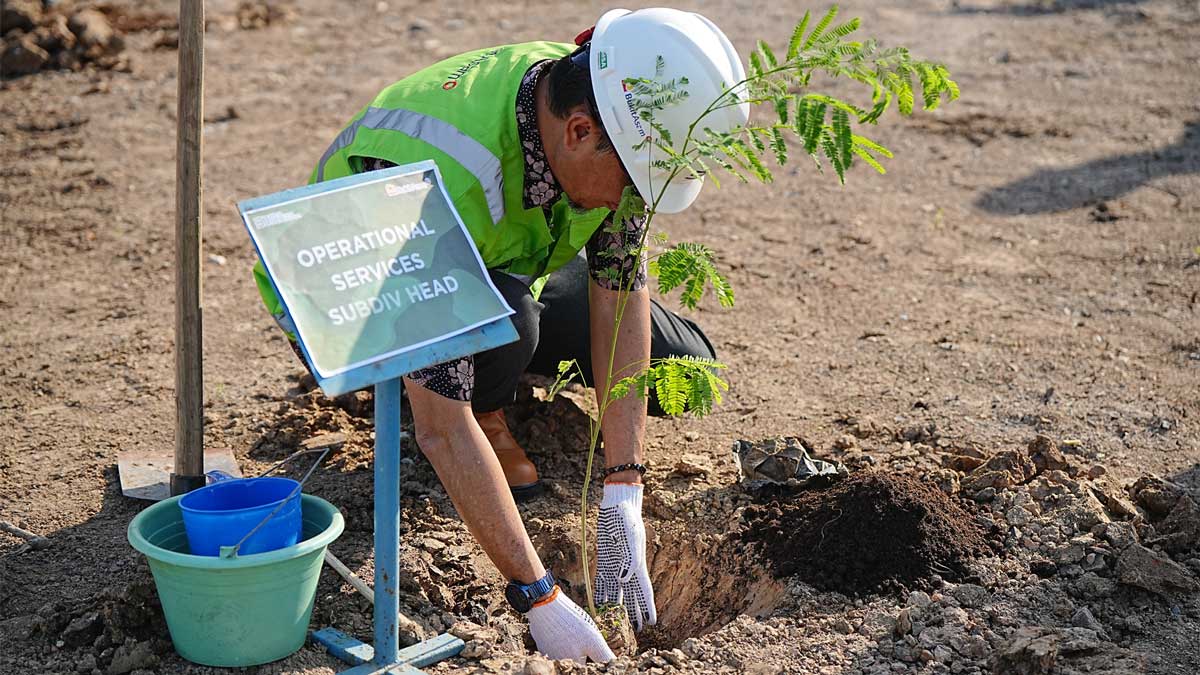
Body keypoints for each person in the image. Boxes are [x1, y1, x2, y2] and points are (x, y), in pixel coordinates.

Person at [252, 7, 748, 662]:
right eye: (636, 182)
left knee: (690, 369)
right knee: (509, 331)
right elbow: (440, 429)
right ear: (577, 132)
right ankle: (474, 400)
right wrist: (537, 594)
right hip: (366, 274)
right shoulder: (441, 183)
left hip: (512, 252)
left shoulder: (608, 97)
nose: (633, 201)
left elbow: (622, 290)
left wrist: (624, 483)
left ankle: (508, 366)